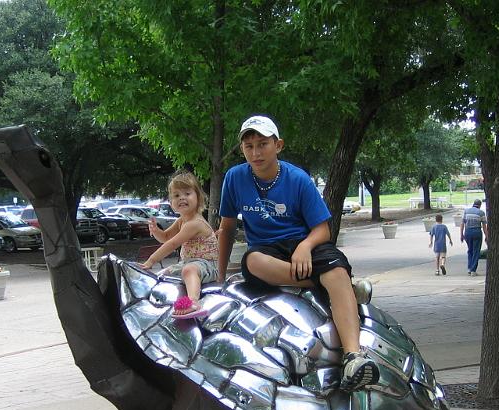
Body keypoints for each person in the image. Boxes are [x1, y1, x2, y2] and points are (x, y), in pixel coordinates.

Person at [217, 115, 379, 391]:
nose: (255, 153)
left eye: (263, 144)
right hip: (267, 251)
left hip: (304, 243)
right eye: (249, 146)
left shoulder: (298, 178)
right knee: (252, 262)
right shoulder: (234, 177)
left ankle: (354, 357)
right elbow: (227, 228)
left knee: (336, 269)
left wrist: (305, 247)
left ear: (278, 145)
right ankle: (340, 289)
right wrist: (220, 277)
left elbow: (323, 230)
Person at [141, 171, 219, 319]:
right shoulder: (182, 221)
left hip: (207, 265)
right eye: (176, 195)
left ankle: (193, 302)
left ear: (198, 197)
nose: (182, 197)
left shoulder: (195, 223)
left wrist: (151, 261)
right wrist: (156, 231)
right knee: (161, 276)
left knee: (189, 270)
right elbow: (165, 237)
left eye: (187, 193)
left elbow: (172, 244)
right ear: (171, 202)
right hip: (187, 262)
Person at [460, 199, 488, 276]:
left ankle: (469, 268)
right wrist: (486, 236)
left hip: (468, 232)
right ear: (480, 205)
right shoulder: (481, 213)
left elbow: (462, 224)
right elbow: (484, 227)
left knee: (470, 250)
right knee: (476, 251)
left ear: (473, 204)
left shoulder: (466, 211)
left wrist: (461, 234)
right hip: (477, 232)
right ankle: (473, 270)